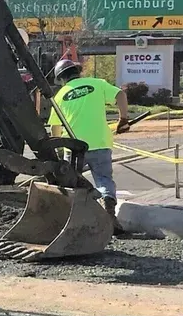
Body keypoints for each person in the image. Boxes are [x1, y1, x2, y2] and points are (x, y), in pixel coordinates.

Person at [47, 59, 131, 232]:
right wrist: (123, 119)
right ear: (77, 72)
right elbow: (120, 95)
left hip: (73, 146)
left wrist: (58, 150)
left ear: (61, 79)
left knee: (71, 183)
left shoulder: (60, 96)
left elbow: (55, 127)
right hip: (99, 142)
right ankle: (109, 215)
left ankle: (76, 222)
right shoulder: (97, 84)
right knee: (104, 179)